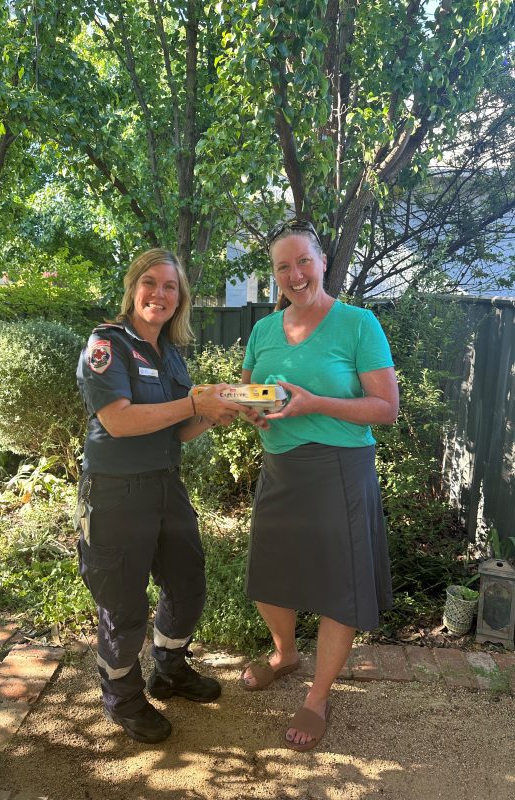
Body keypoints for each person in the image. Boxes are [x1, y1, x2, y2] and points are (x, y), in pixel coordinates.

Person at [76, 247, 253, 745]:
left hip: (164, 486)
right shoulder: (107, 344)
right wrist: (192, 403)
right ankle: (123, 699)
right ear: (133, 288)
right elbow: (118, 419)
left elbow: (178, 431)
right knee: (122, 604)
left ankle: (169, 670)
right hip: (114, 493)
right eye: (150, 282)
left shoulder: (169, 353)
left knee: (187, 580)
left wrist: (214, 412)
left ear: (181, 299)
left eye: (170, 287)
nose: (160, 293)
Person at [239, 219, 399, 752]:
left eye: (303, 261)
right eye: (283, 266)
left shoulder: (358, 324)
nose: (294, 274)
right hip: (280, 467)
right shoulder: (264, 329)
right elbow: (251, 392)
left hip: (340, 469)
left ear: (322, 262)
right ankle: (285, 655)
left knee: (338, 585)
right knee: (269, 575)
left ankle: (319, 695)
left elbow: (386, 408)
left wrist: (314, 403)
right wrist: (254, 412)